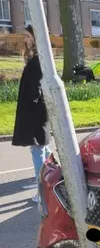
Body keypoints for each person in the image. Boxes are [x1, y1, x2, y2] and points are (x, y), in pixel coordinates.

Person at [12, 25, 50, 204]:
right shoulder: (36, 58)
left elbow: (36, 88)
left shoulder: (38, 60)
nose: (25, 39)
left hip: (35, 112)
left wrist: (29, 105)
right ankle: (49, 186)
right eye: (25, 36)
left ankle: (43, 191)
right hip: (38, 111)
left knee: (38, 150)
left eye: (28, 36)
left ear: (36, 38)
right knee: (43, 149)